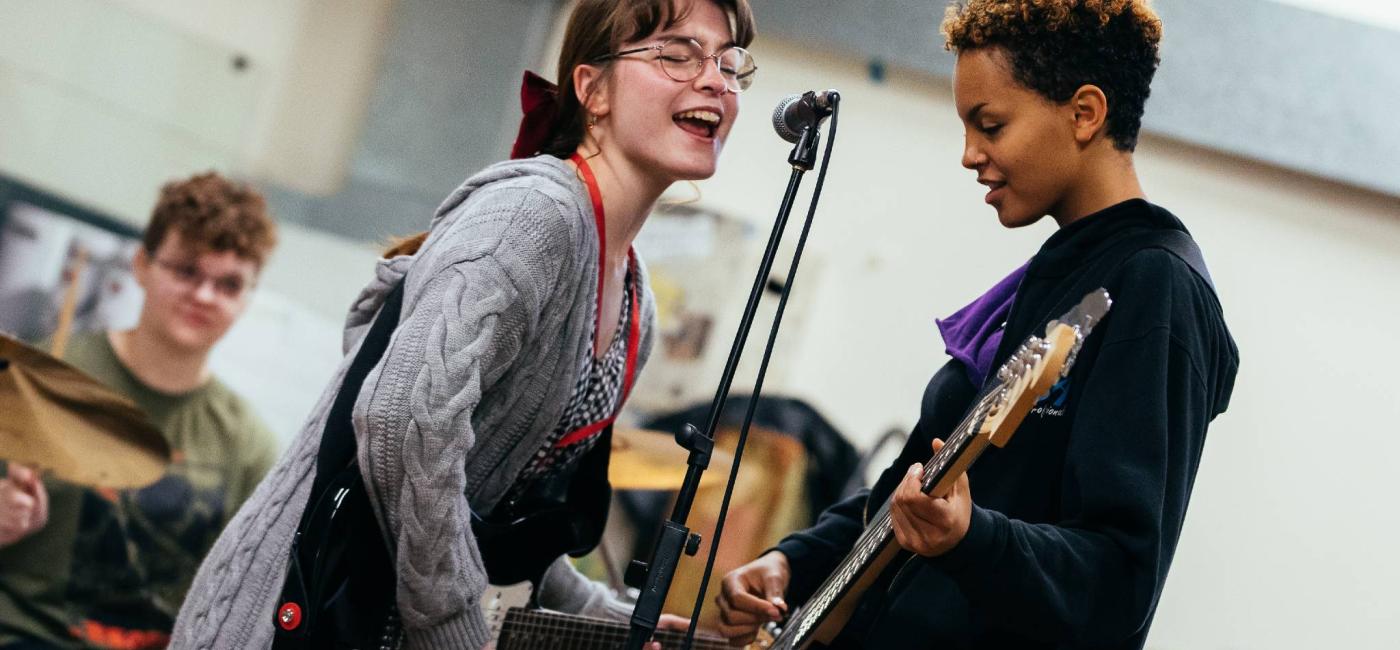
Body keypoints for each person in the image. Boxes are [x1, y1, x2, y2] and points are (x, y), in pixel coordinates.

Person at [170, 0, 757, 648]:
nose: (714, 80)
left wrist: (603, 619)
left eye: (729, 63)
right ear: (592, 90)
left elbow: (502, 512)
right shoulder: (535, 217)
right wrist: (451, 628)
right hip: (282, 622)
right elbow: (402, 418)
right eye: (677, 53)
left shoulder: (632, 298)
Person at [716, 1, 1239, 648]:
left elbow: (1119, 585)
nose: (969, 154)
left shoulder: (1155, 289)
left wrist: (972, 539)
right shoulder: (1050, 280)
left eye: (989, 125)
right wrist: (794, 562)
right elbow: (907, 490)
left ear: (1084, 114)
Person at [0, 172, 281, 649]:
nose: (204, 296)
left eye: (229, 284)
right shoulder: (46, 377)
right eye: (187, 271)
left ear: (248, 299)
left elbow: (243, 600)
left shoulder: (247, 444)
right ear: (141, 265)